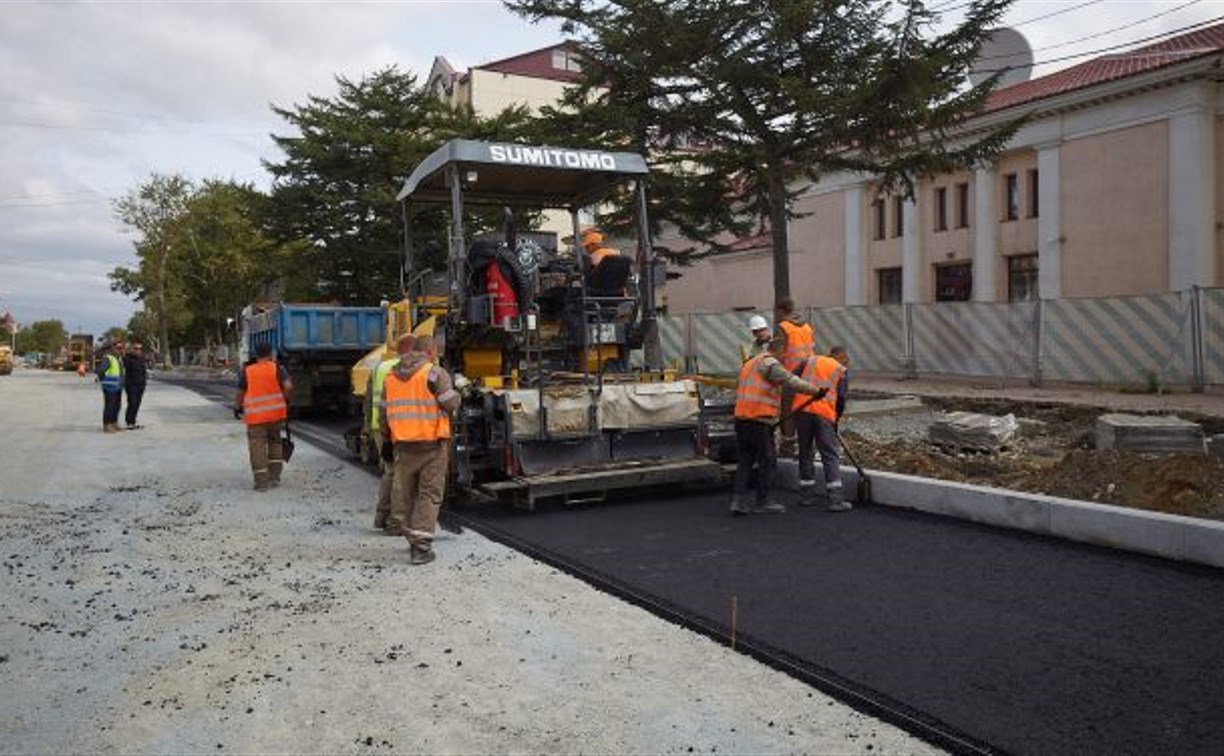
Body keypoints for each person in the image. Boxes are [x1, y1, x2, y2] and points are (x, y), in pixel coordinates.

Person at [379, 335, 461, 565]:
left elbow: (384, 413)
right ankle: (421, 547)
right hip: (431, 445)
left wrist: (386, 440)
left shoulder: (391, 377)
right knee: (429, 494)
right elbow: (450, 403)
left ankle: (412, 537)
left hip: (403, 446)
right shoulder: (434, 373)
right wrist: (459, 392)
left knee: (409, 494)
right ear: (431, 352)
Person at [731, 335, 829, 516]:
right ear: (779, 350)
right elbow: (790, 380)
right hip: (758, 420)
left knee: (745, 461)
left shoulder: (750, 363)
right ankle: (763, 501)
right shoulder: (769, 364)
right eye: (784, 354)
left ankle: (738, 501)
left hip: (741, 419)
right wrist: (816, 390)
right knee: (768, 461)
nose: (785, 358)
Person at [795, 345, 852, 512]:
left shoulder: (810, 360)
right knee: (829, 454)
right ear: (838, 356)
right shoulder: (841, 370)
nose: (846, 362)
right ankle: (835, 499)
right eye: (845, 359)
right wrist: (836, 419)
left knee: (805, 452)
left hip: (802, 411)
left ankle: (807, 496)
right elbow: (841, 398)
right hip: (823, 414)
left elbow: (792, 380)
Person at [364, 335, 408, 533]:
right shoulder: (404, 371)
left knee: (389, 472)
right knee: (400, 475)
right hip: (396, 428)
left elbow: (367, 401)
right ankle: (396, 522)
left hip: (378, 427)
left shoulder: (380, 367)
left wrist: (367, 427)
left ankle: (381, 516)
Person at [234, 342, 293, 492]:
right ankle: (274, 478)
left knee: (257, 446)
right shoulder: (278, 369)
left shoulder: (248, 371)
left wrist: (238, 407)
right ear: (270, 353)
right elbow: (288, 386)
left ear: (255, 354)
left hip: (255, 416)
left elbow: (240, 392)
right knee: (275, 442)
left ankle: (261, 483)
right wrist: (285, 399)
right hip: (275, 414)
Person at [95, 341, 124, 433]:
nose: (120, 350)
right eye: (118, 348)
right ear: (112, 348)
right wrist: (102, 379)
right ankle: (107, 425)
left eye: (121, 348)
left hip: (118, 386)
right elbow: (101, 370)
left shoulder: (118, 358)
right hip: (109, 387)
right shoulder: (108, 358)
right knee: (109, 406)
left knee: (116, 406)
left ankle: (114, 423)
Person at [122, 340, 148, 429]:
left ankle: (133, 422)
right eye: (136, 348)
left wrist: (144, 383)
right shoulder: (126, 358)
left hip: (140, 385)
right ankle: (129, 422)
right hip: (131, 385)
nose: (138, 350)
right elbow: (123, 369)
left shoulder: (142, 358)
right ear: (131, 349)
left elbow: (143, 371)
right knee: (132, 403)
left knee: (137, 404)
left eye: (140, 348)